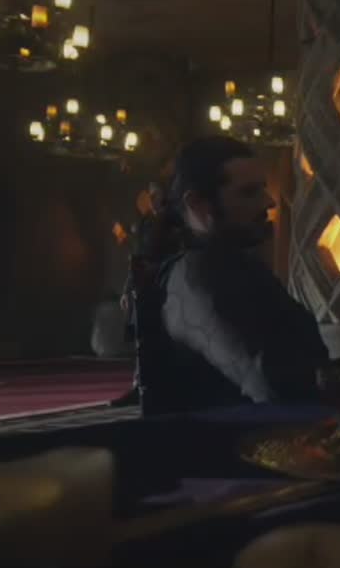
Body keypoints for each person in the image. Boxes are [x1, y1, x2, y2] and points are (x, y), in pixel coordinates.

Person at [140, 136, 329, 414]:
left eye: (262, 189)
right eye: (249, 193)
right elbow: (270, 383)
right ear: (198, 204)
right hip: (243, 438)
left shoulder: (235, 266)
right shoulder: (194, 276)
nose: (269, 202)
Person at [111, 181, 179, 406]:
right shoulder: (146, 223)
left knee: (165, 340)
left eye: (155, 194)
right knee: (143, 339)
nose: (151, 198)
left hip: (168, 285)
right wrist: (127, 288)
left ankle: (162, 388)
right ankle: (139, 387)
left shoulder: (175, 221)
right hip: (144, 287)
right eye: (150, 194)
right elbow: (138, 257)